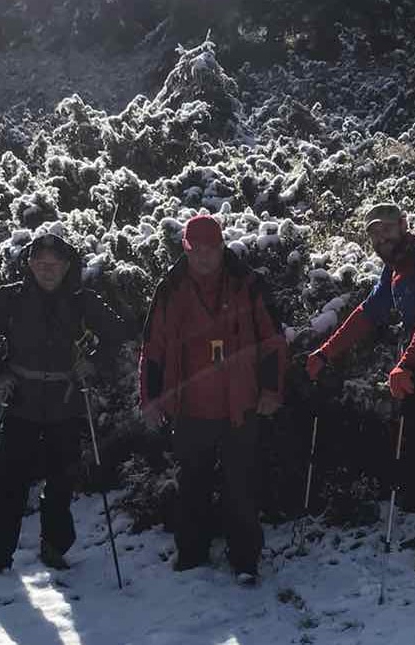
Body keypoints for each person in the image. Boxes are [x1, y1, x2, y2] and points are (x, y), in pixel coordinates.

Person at [305, 202, 415, 570]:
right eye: (373, 233)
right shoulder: (393, 270)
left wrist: (407, 364)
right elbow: (367, 313)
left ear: (404, 225)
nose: (380, 238)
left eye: (387, 229)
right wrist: (325, 352)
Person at [0, 231, 129, 574]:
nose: (47, 270)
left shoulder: (83, 301)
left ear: (67, 266)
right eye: (40, 263)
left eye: (54, 264)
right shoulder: (11, 298)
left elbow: (115, 334)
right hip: (21, 402)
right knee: (8, 483)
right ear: (29, 264)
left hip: (65, 403)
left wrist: (94, 363)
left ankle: (54, 547)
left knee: (61, 482)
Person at [138, 215, 286, 585]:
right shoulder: (169, 288)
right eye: (196, 250)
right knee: (192, 485)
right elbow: (152, 348)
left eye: (211, 249)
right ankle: (191, 555)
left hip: (241, 405)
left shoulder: (249, 283)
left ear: (222, 246)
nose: (204, 257)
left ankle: (245, 561)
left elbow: (273, 341)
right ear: (186, 249)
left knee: (242, 485)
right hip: (189, 409)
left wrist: (272, 390)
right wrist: (150, 399)